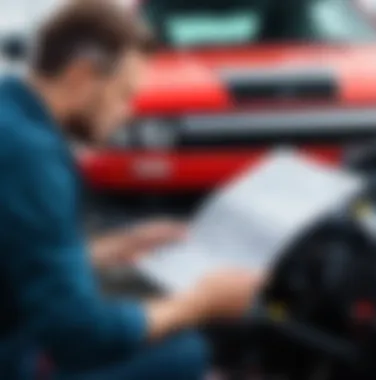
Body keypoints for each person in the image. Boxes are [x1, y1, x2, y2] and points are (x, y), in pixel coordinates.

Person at [0, 1, 261, 379]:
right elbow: (81, 333)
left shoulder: (11, 115)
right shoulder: (32, 156)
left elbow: (20, 260)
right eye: (124, 94)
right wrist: (198, 303)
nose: (127, 112)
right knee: (188, 352)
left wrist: (110, 249)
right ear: (81, 75)